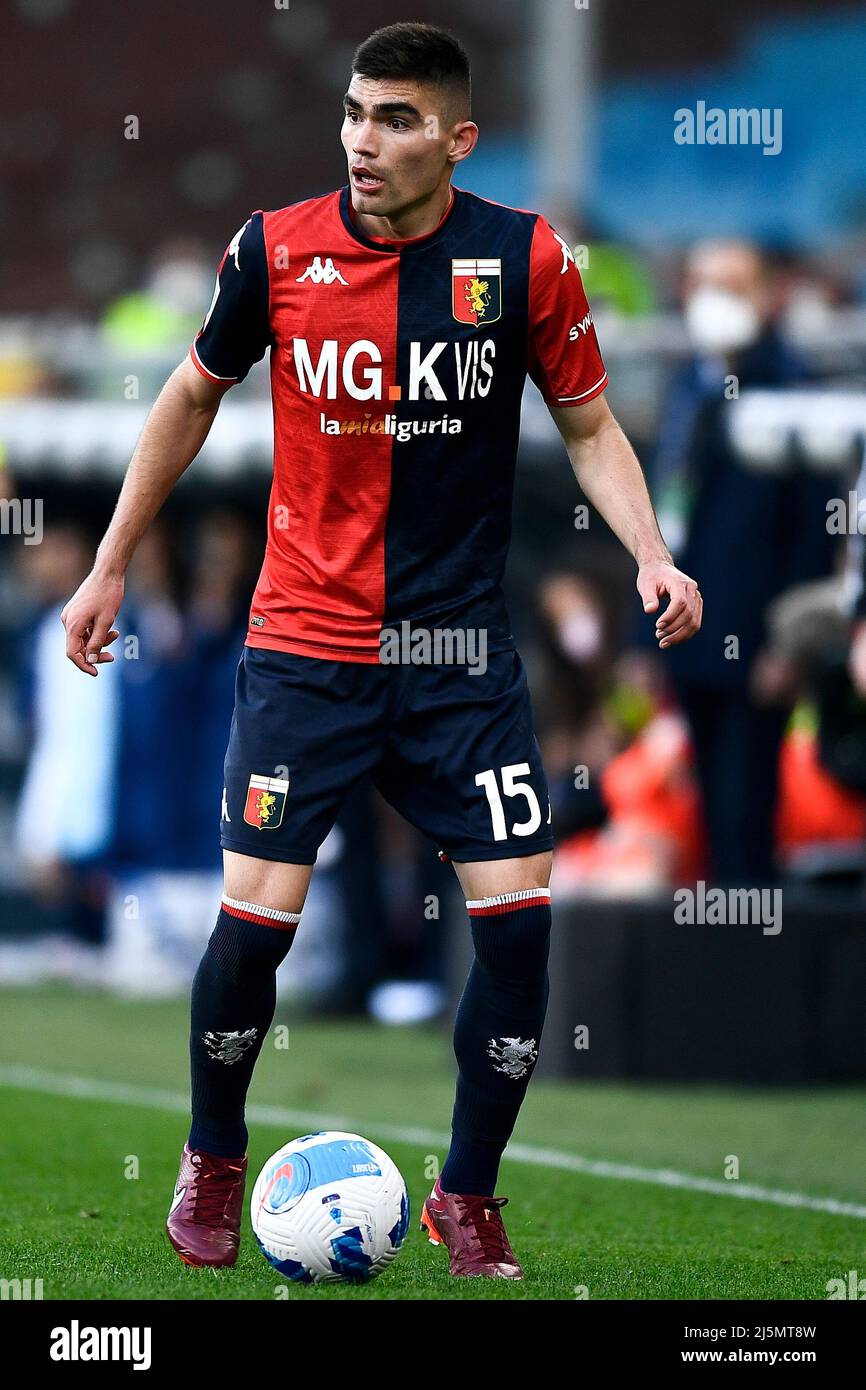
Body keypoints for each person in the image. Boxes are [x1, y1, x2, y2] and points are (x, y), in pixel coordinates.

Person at [60, 22, 701, 1280]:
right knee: (255, 930)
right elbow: (192, 393)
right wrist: (111, 558)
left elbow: (586, 424)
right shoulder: (276, 247)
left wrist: (650, 552)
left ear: (456, 140)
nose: (363, 138)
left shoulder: (523, 259)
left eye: (396, 118)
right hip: (306, 645)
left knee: (518, 931)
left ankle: (468, 1195)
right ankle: (211, 1158)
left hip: (459, 655)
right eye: (355, 112)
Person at [650, 239, 834, 883]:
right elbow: (662, 514)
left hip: (755, 645)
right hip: (685, 641)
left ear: (769, 293)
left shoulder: (791, 388)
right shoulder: (688, 389)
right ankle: (716, 963)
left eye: (732, 284)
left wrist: (788, 647)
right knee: (700, 816)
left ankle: (751, 965)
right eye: (702, 282)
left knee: (746, 814)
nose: (713, 300)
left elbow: (816, 534)